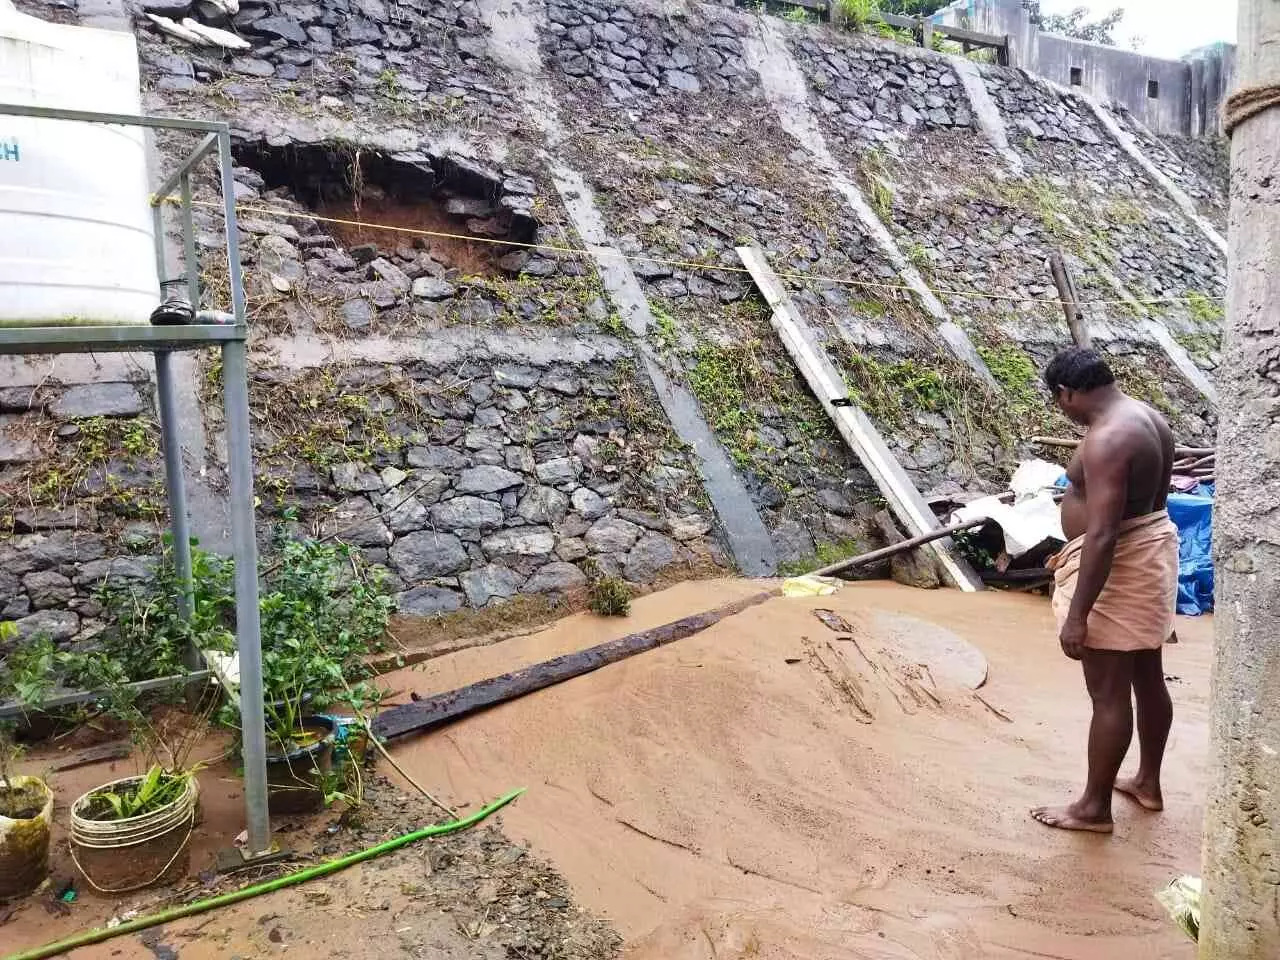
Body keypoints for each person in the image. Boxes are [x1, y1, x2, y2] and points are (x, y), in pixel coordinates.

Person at [1030, 347, 1180, 834]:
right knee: (1146, 671)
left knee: (1109, 692)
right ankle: (1147, 782)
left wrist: (1079, 615)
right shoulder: (1147, 416)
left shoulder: (1109, 438)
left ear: (1066, 393)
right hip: (1150, 549)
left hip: (1123, 564)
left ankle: (1093, 809)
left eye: (1060, 403)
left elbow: (1103, 534)